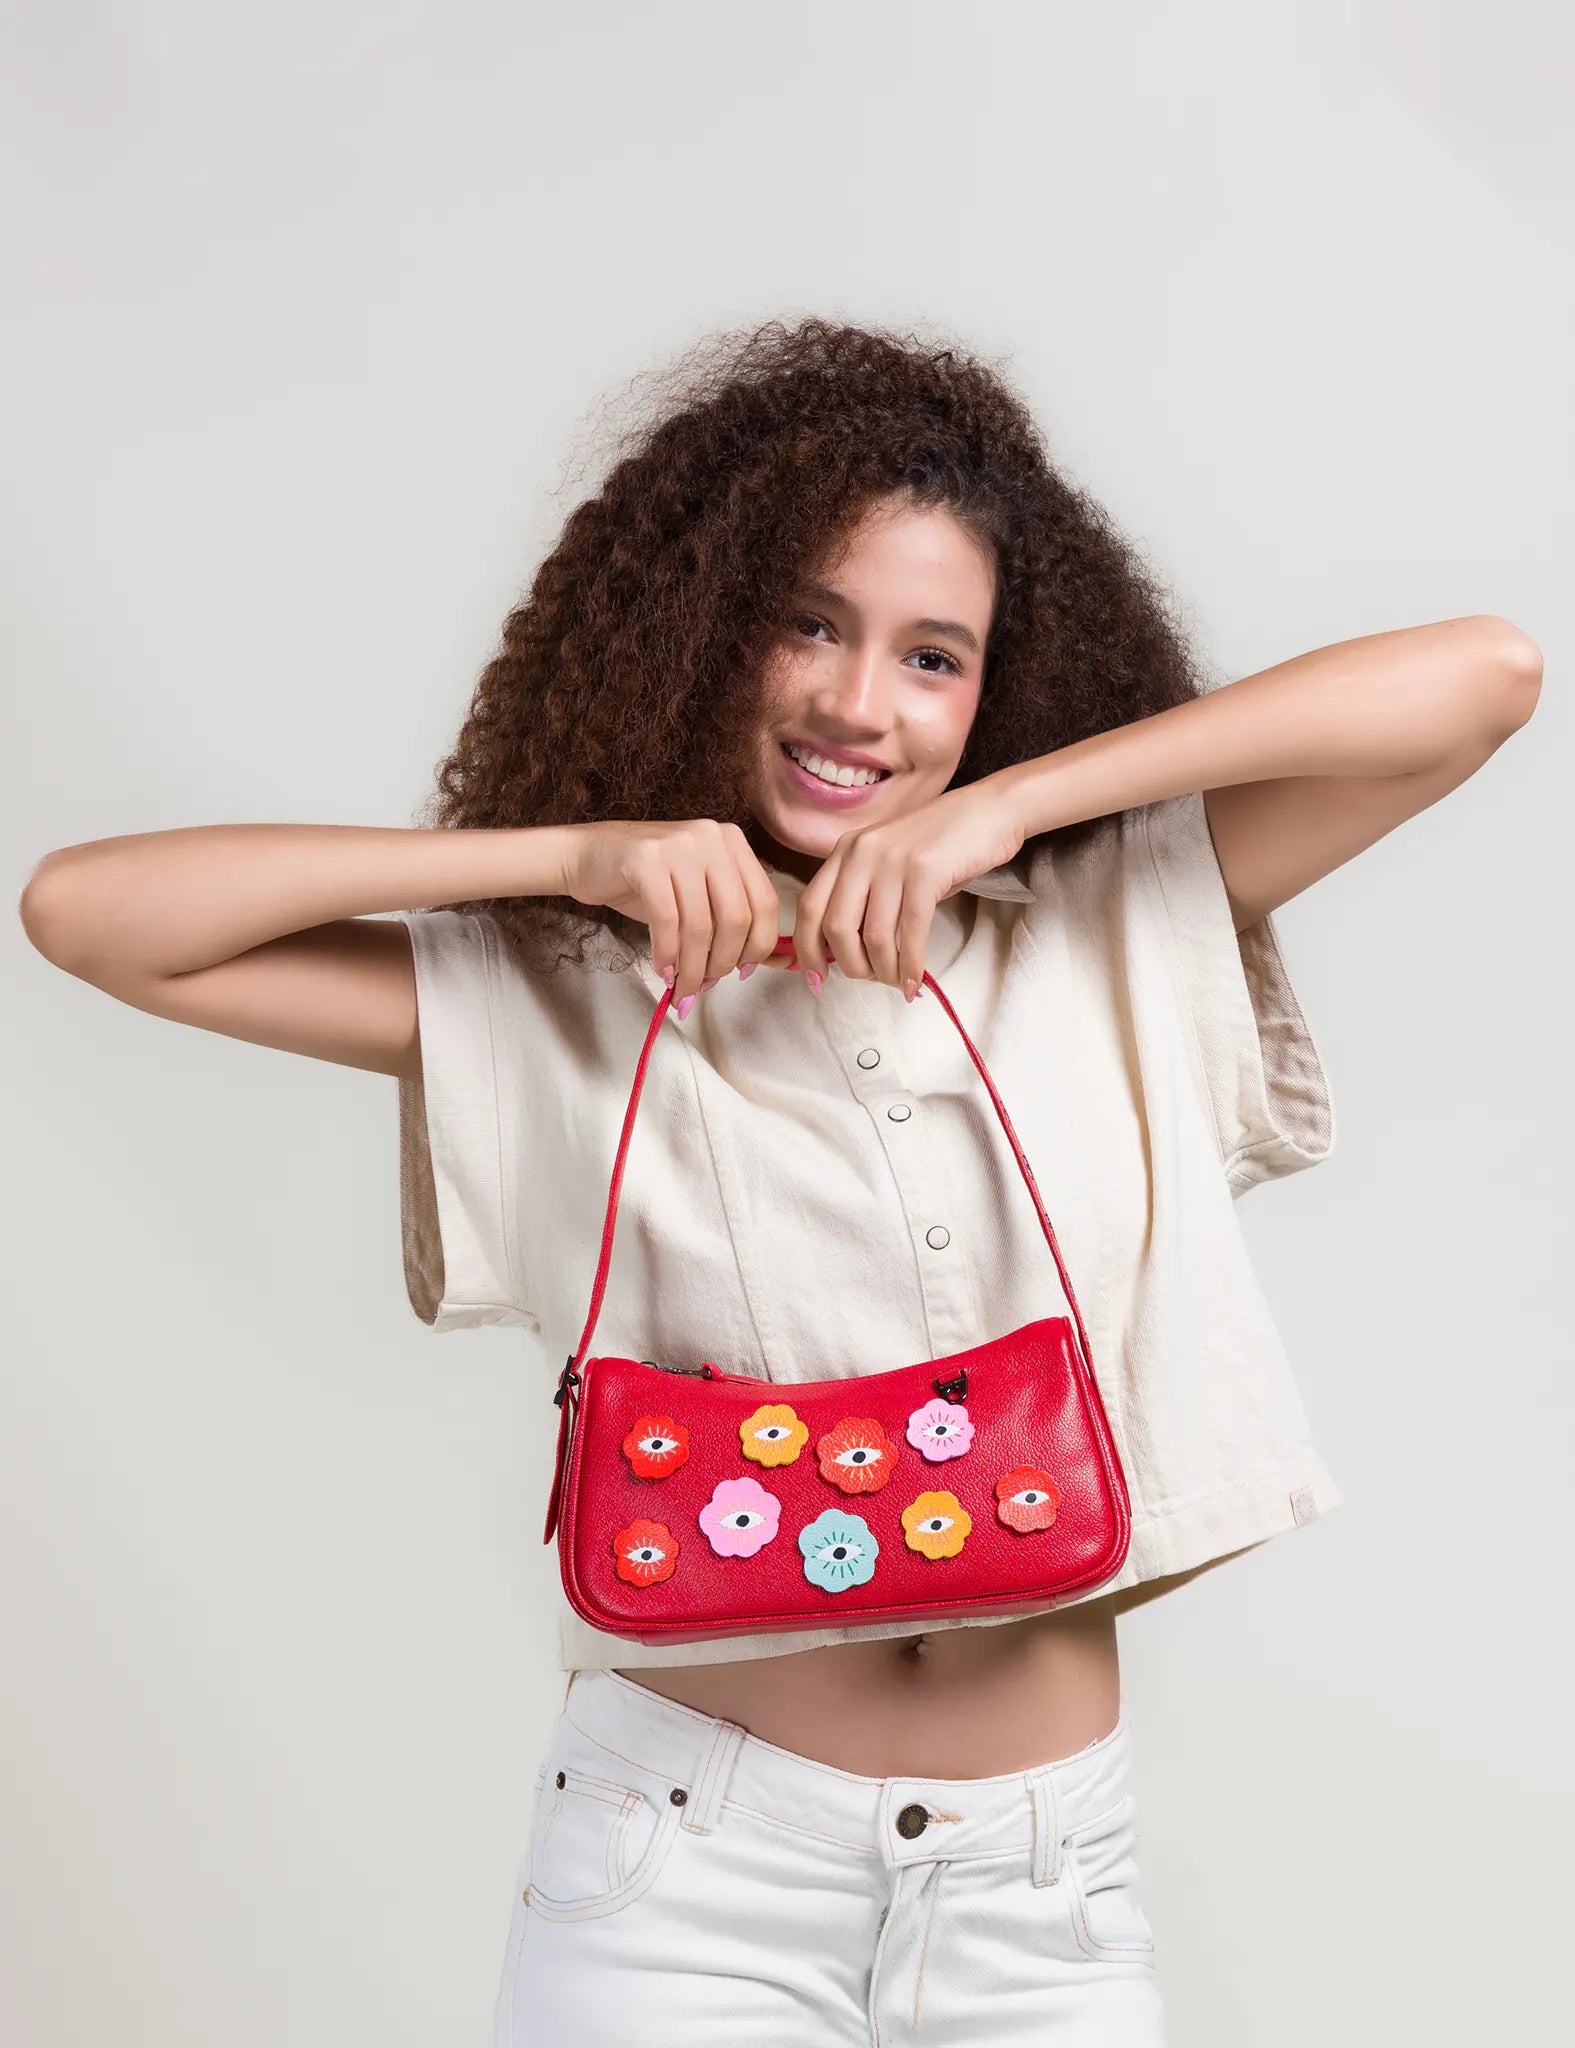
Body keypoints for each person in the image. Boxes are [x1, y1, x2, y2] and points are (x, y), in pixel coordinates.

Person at [20, 317, 1541, 2045]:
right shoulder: (558, 994)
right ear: (704, 632)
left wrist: (1006, 812)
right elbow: (90, 915)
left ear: (997, 687)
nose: (855, 703)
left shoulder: (1109, 923)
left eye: (932, 658)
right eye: (808, 623)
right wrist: (571, 858)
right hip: (681, 1877)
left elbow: (1484, 675)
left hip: (1047, 1885)